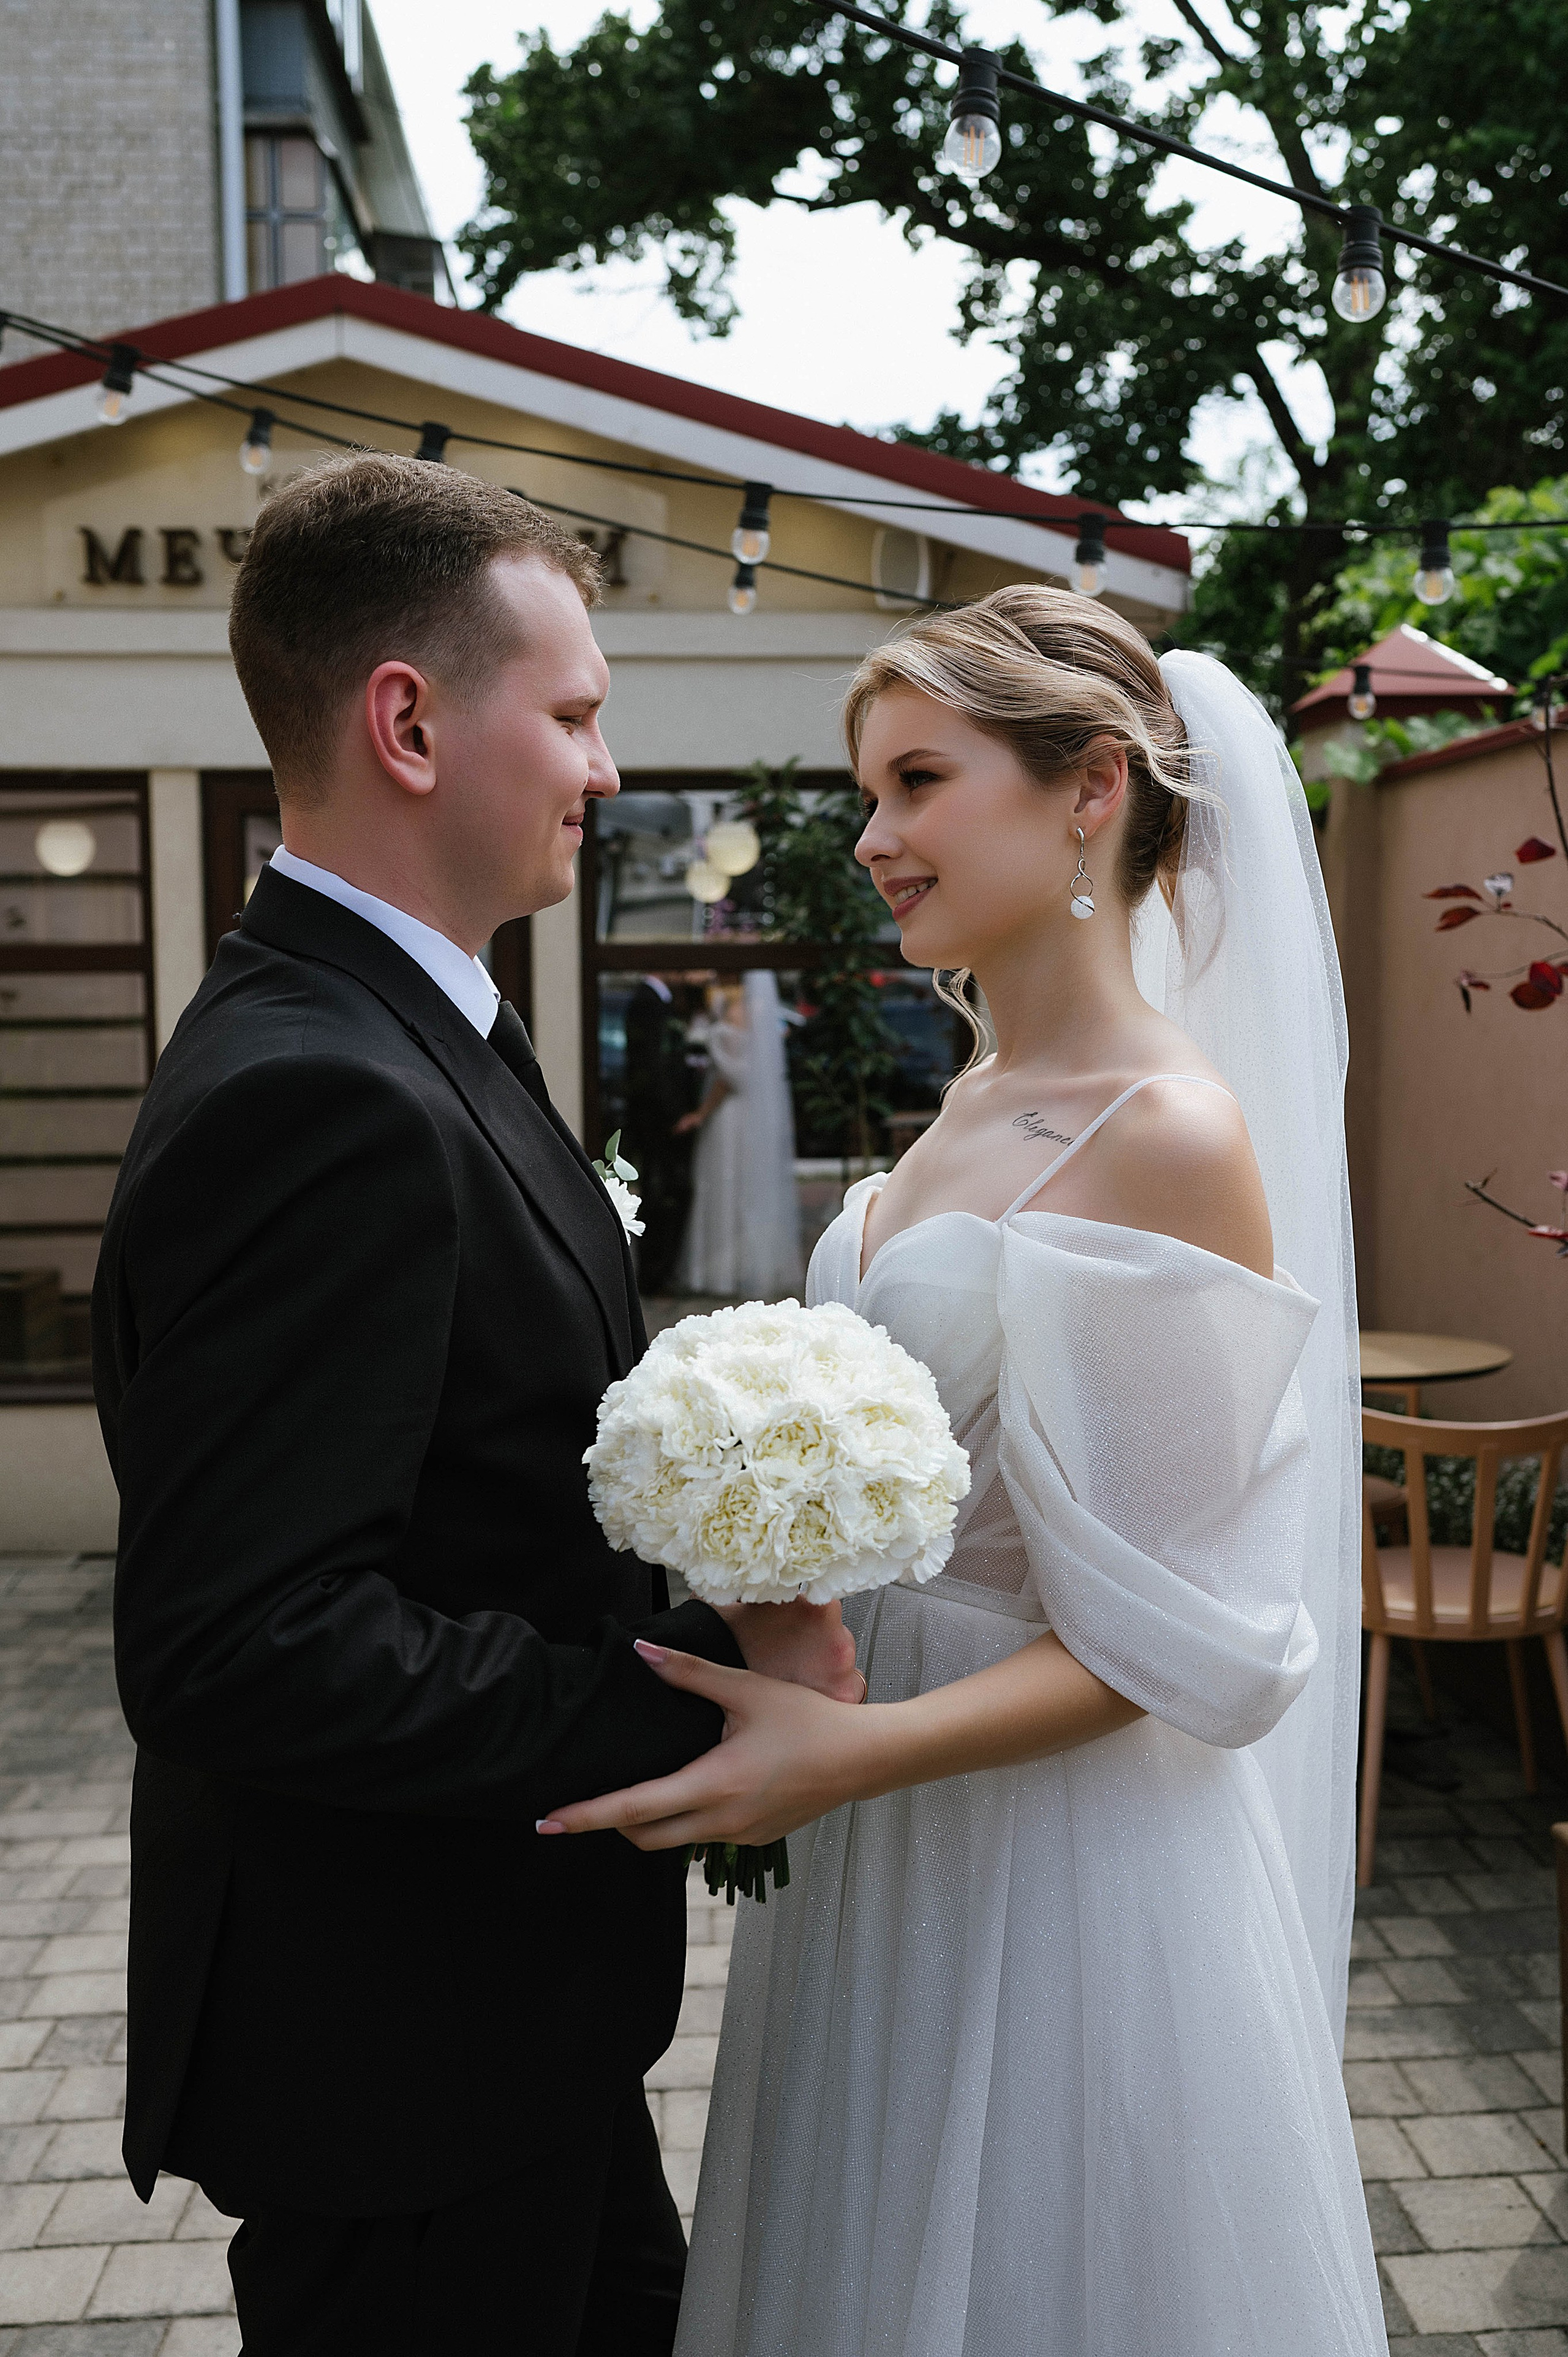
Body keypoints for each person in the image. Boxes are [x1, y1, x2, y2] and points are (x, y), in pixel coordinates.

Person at [538, 588, 1385, 2355]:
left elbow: (1180, 1639)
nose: (873, 836)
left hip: (1050, 1858)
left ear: (1089, 788)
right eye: (871, 791)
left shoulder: (1162, 1130)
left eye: (918, 780)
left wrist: (855, 1753)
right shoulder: (975, 1090)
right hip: (868, 1820)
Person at [91, 453, 858, 2355]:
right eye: (580, 713)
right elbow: (242, 1642)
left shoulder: (419, 1027)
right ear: (409, 720)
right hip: (396, 2054)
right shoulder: (320, 1088)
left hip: (507, 2020)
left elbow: (478, 1468)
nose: (604, 770)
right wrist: (681, 1705)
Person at [673, 970, 804, 1298]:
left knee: (723, 1186)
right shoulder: (764, 1021)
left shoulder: (730, 1019)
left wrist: (702, 1113)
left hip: (729, 1116)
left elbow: (726, 1079)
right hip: (754, 1116)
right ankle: (752, 1266)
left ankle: (719, 1272)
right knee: (749, 1187)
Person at [621, 973, 704, 1293]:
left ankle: (659, 1272)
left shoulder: (662, 1003)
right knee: (662, 1194)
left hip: (662, 1118)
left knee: (666, 1194)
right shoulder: (648, 1002)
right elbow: (652, 1066)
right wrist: (673, 1115)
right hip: (659, 1121)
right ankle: (655, 1275)